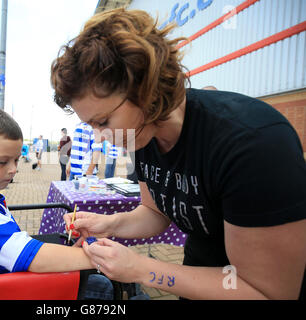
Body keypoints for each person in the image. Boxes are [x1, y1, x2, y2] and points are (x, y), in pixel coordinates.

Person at [51, 8, 306, 299]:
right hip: (198, 279)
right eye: (91, 125)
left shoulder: (253, 143)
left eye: (104, 121)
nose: (100, 136)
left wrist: (140, 269)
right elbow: (154, 212)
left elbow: (266, 290)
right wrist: (109, 224)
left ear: (146, 90)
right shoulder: (141, 136)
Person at [0, 105, 115, 299]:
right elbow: (31, 257)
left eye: (17, 160)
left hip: (8, 276)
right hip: (6, 288)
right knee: (102, 284)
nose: (13, 169)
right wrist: (101, 258)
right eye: (3, 162)